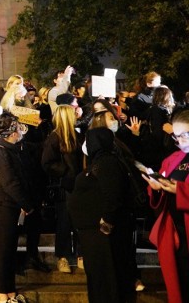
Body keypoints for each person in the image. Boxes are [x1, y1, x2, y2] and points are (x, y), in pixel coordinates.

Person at [67, 128, 136, 303]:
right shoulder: (101, 161)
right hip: (94, 235)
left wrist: (107, 222)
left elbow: (112, 194)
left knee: (107, 281)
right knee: (101, 280)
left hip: (103, 236)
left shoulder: (106, 162)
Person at [0, 112, 33, 303]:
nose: (21, 131)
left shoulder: (10, 149)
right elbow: (10, 182)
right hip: (2, 207)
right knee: (4, 251)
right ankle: (3, 296)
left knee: (9, 250)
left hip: (9, 206)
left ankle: (10, 292)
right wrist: (27, 205)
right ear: (11, 132)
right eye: (18, 128)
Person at [142, 109, 189, 303]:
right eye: (176, 136)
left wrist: (178, 189)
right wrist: (156, 187)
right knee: (179, 282)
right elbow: (161, 191)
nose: (180, 141)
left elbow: (179, 188)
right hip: (176, 231)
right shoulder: (172, 159)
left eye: (185, 135)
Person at [41, 105, 83, 273]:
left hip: (78, 185)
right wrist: (66, 171)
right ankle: (63, 256)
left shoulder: (78, 135)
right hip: (63, 186)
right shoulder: (54, 138)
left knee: (79, 221)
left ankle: (81, 254)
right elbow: (46, 163)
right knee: (64, 223)